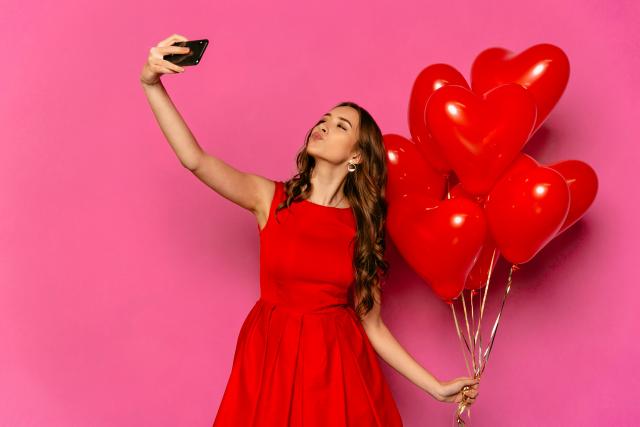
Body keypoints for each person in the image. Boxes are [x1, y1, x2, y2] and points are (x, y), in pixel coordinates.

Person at [140, 33, 480, 426]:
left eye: (340, 125)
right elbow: (195, 160)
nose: (324, 126)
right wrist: (151, 84)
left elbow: (372, 325)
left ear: (357, 155)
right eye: (323, 120)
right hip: (272, 358)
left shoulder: (364, 230)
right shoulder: (270, 198)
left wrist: (435, 387)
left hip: (336, 369)